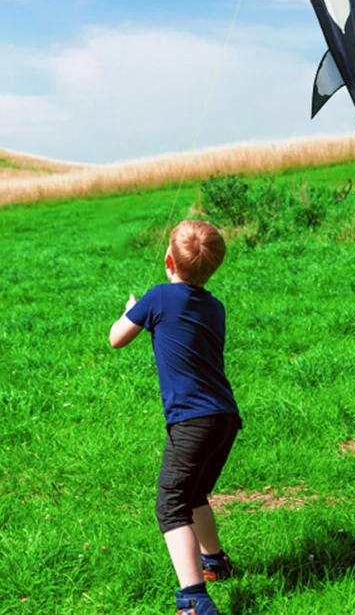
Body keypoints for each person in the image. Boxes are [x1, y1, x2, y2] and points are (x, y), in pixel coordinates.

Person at [109, 219, 242, 615]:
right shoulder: (215, 306)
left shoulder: (159, 297)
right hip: (225, 418)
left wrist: (133, 311)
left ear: (169, 260)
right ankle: (215, 562)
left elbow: (117, 338)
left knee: (170, 506)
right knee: (195, 492)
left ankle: (194, 598)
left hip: (192, 421)